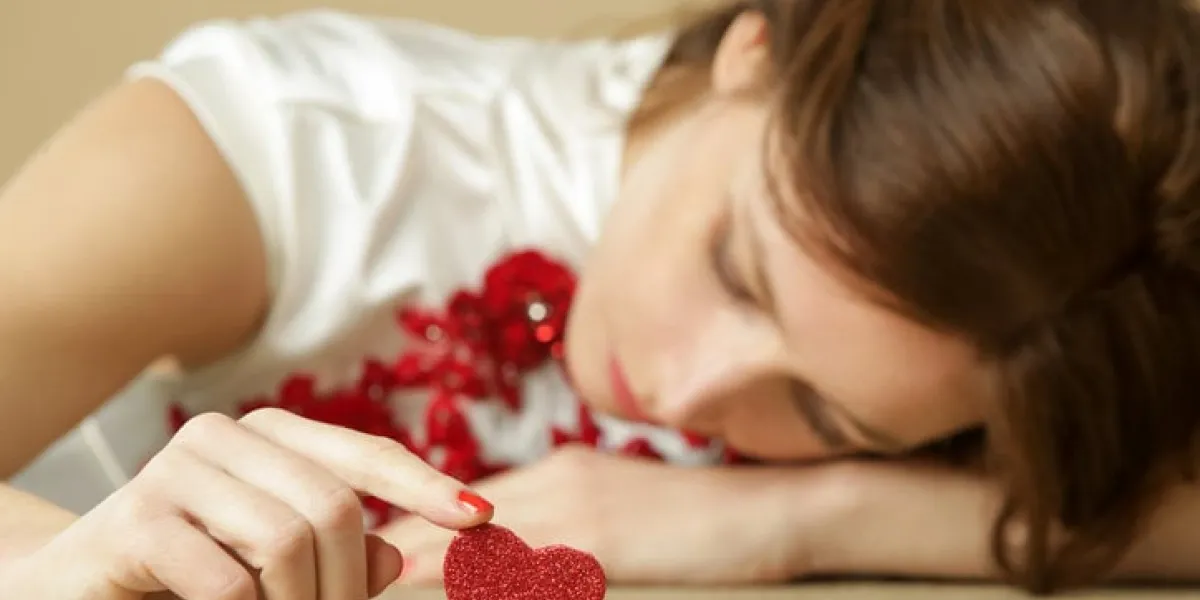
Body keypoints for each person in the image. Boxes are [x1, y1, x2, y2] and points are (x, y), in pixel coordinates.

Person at [3, 0, 1200, 596]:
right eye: (740, 272)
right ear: (758, 51)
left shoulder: (1062, 313)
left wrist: (809, 515)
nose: (683, 393)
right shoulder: (291, 148)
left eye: (831, 414)